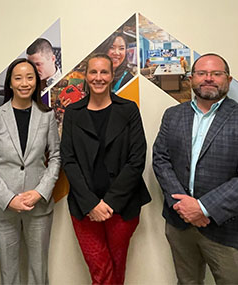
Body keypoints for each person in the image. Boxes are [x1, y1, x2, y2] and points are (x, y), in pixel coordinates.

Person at [152, 53, 238, 284]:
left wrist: (203, 208)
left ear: (228, 79)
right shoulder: (173, 115)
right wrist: (184, 205)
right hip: (181, 224)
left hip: (229, 228)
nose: (209, 78)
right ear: (191, 78)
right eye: (202, 73)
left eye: (216, 74)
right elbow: (160, 159)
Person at [61, 53, 151, 284]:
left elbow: (136, 159)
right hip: (84, 207)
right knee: (101, 270)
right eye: (93, 72)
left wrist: (109, 202)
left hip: (122, 206)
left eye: (104, 72)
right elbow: (68, 160)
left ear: (112, 76)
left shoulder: (128, 109)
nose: (98, 77)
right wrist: (92, 203)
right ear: (86, 76)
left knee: (117, 267)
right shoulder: (73, 113)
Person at [0, 58, 61, 284]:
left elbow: (55, 158)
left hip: (38, 206)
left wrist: (40, 192)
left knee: (38, 269)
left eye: (30, 77)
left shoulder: (47, 116)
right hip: (3, 209)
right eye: (18, 78)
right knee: (8, 272)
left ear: (36, 82)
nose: (25, 83)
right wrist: (8, 198)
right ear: (10, 83)